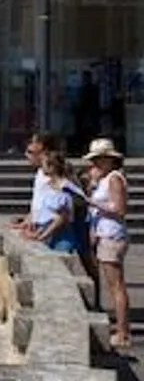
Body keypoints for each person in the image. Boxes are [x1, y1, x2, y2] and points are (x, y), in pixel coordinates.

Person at [84, 138, 131, 349]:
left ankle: (123, 332)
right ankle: (121, 329)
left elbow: (119, 208)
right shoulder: (105, 179)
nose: (94, 165)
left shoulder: (114, 179)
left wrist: (93, 202)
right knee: (113, 285)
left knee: (116, 286)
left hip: (112, 235)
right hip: (106, 235)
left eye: (98, 160)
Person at [29, 151, 78, 253]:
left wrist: (43, 236)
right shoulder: (47, 185)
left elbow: (61, 218)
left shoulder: (64, 186)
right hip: (47, 233)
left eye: (43, 164)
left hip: (60, 238)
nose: (41, 167)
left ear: (52, 167)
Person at [13, 131, 58, 237]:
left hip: (50, 231)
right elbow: (38, 202)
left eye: (30, 152)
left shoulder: (54, 174)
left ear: (43, 151)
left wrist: (42, 233)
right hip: (39, 227)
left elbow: (58, 210)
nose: (26, 155)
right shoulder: (40, 172)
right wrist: (28, 220)